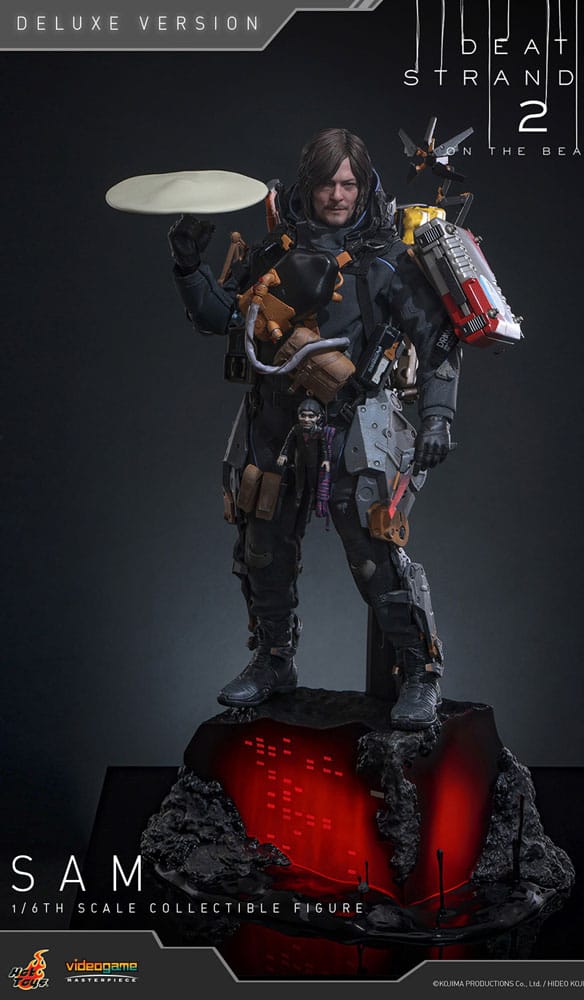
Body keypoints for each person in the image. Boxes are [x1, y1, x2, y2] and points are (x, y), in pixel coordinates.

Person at [167, 127, 462, 730]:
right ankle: (273, 660)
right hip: (274, 420)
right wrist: (188, 266)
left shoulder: (384, 261)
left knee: (375, 558)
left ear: (364, 186)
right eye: (327, 183)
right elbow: (222, 319)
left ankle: (420, 671)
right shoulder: (275, 250)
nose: (337, 196)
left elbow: (437, 341)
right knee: (262, 549)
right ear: (309, 184)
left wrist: (438, 416)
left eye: (348, 184)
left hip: (354, 425)